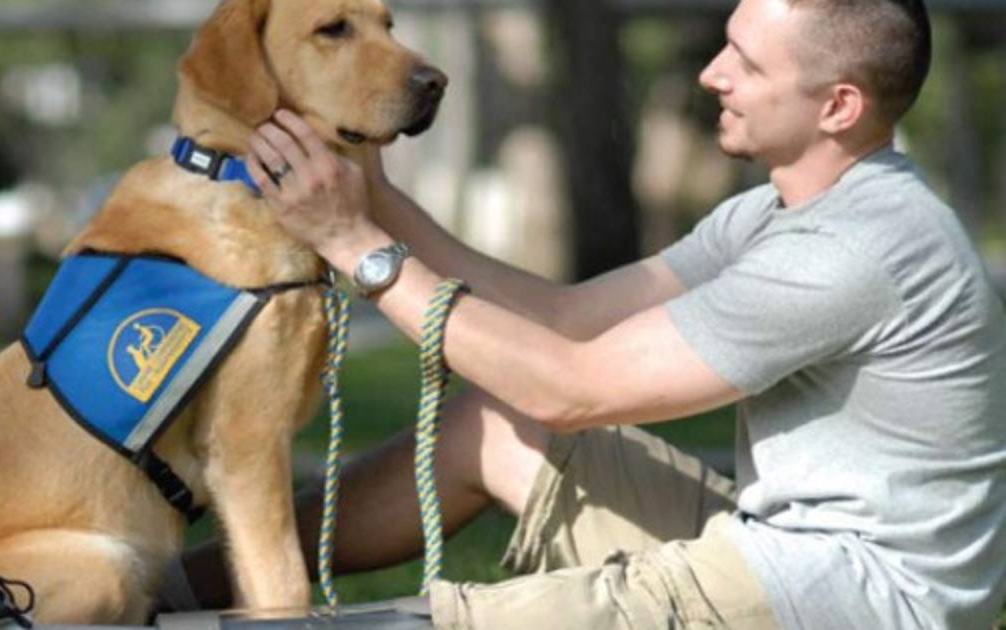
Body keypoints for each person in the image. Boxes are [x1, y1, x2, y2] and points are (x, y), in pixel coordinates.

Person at [160, 0, 1006, 628]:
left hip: (853, 602)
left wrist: (357, 249)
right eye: (725, 45)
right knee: (496, 425)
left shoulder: (852, 249)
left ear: (839, 107)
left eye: (746, 65)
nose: (712, 73)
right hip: (779, 544)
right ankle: (167, 589)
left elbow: (572, 388)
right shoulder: (773, 212)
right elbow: (569, 319)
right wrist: (372, 200)